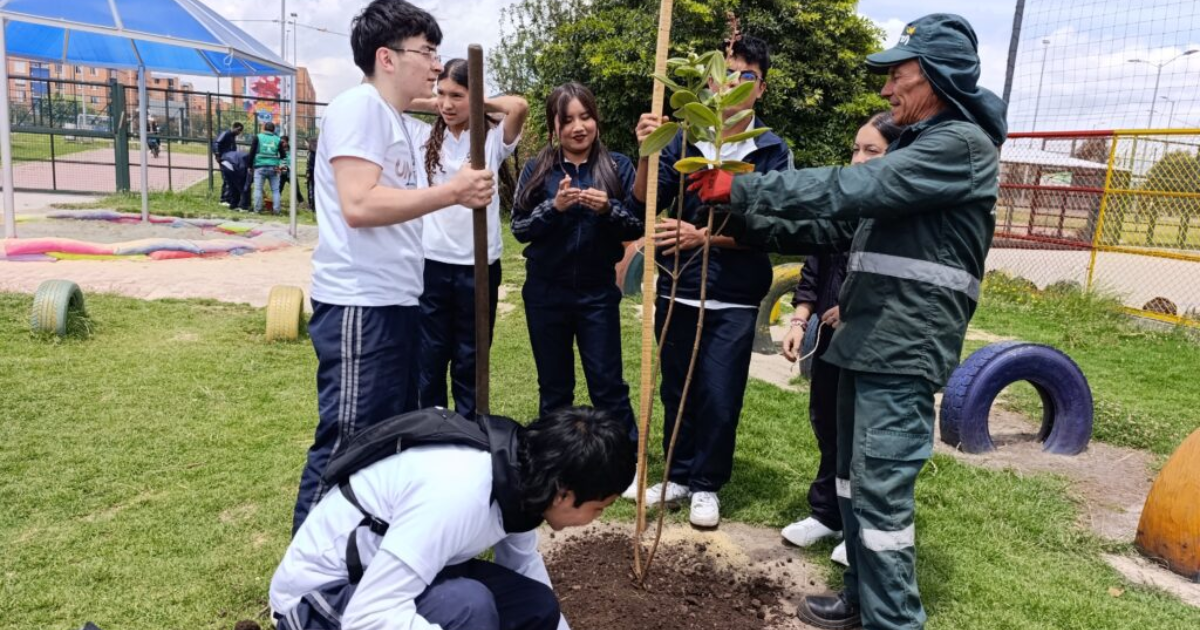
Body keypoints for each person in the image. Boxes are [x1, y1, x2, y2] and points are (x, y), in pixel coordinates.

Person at [686, 13, 1007, 629]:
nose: (886, 90)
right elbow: (833, 227)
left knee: (882, 501)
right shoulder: (917, 147)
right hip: (864, 338)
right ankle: (861, 602)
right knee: (853, 485)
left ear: (938, 76)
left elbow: (849, 190)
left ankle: (893, 622)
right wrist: (736, 211)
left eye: (899, 76)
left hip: (902, 346)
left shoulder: (959, 145)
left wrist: (747, 190)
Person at [290, 0, 495, 535]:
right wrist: (451, 191)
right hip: (362, 305)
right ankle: (301, 584)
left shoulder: (395, 121)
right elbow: (359, 205)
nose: (434, 66)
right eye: (426, 53)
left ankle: (357, 558)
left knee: (384, 442)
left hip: (396, 302)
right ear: (387, 57)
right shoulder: (359, 108)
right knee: (347, 439)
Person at [270, 405, 634, 630]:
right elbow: (368, 615)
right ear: (564, 493)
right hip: (317, 603)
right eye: (598, 509)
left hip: (375, 580)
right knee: (467, 608)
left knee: (537, 605)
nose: (595, 519)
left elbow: (525, 569)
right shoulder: (456, 494)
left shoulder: (523, 479)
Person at [628, 34, 793, 529]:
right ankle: (678, 475)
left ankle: (706, 484)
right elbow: (645, 201)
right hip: (679, 288)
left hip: (734, 298)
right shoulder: (686, 141)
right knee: (677, 390)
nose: (734, 86)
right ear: (707, 85)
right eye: (724, 76)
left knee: (720, 396)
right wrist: (646, 151)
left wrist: (702, 236)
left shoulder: (770, 151)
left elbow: (771, 229)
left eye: (747, 77)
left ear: (760, 88)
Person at [778, 112, 904, 568]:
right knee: (826, 421)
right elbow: (816, 267)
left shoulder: (898, 209)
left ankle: (860, 529)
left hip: (873, 340)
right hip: (830, 337)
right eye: (856, 148)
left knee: (862, 436)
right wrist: (799, 318)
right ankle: (828, 514)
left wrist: (851, 306)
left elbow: (896, 277)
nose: (859, 159)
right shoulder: (846, 202)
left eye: (872, 151)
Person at [510, 82, 642, 443]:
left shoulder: (617, 166)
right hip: (545, 293)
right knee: (554, 387)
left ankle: (623, 460)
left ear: (595, 119)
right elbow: (519, 227)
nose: (578, 127)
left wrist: (607, 208)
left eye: (585, 116)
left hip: (597, 294)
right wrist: (554, 208)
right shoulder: (539, 168)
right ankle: (554, 460)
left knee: (607, 383)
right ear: (555, 126)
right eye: (567, 120)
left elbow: (637, 224)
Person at [413, 58, 527, 419]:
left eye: (457, 96)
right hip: (431, 262)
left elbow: (519, 106)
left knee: (471, 356)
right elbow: (396, 100)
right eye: (441, 94)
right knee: (429, 356)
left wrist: (477, 104)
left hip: (478, 265)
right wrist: (438, 102)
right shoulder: (423, 136)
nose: (447, 104)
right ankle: (430, 432)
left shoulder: (492, 139)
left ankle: (467, 433)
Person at [247, 121, 283, 214]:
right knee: (275, 190)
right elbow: (283, 155)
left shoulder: (258, 137)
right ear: (273, 130)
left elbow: (251, 153)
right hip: (274, 167)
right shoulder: (278, 139)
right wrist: (281, 168)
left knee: (258, 189)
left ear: (264, 128)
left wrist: (249, 166)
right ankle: (277, 210)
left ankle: (257, 210)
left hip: (260, 166)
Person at [214, 122, 244, 206]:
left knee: (230, 179)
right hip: (224, 159)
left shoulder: (232, 137)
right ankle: (224, 199)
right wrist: (217, 155)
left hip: (230, 160)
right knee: (226, 179)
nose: (239, 132)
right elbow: (217, 143)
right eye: (238, 130)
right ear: (234, 127)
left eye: (240, 131)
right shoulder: (226, 134)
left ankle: (229, 198)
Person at [279, 135, 306, 206]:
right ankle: (277, 201)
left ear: (287, 142)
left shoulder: (291, 150)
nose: (282, 143)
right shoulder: (279, 149)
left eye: (283, 142)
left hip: (291, 171)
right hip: (282, 170)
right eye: (280, 142)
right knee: (279, 187)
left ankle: (301, 202)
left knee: (296, 187)